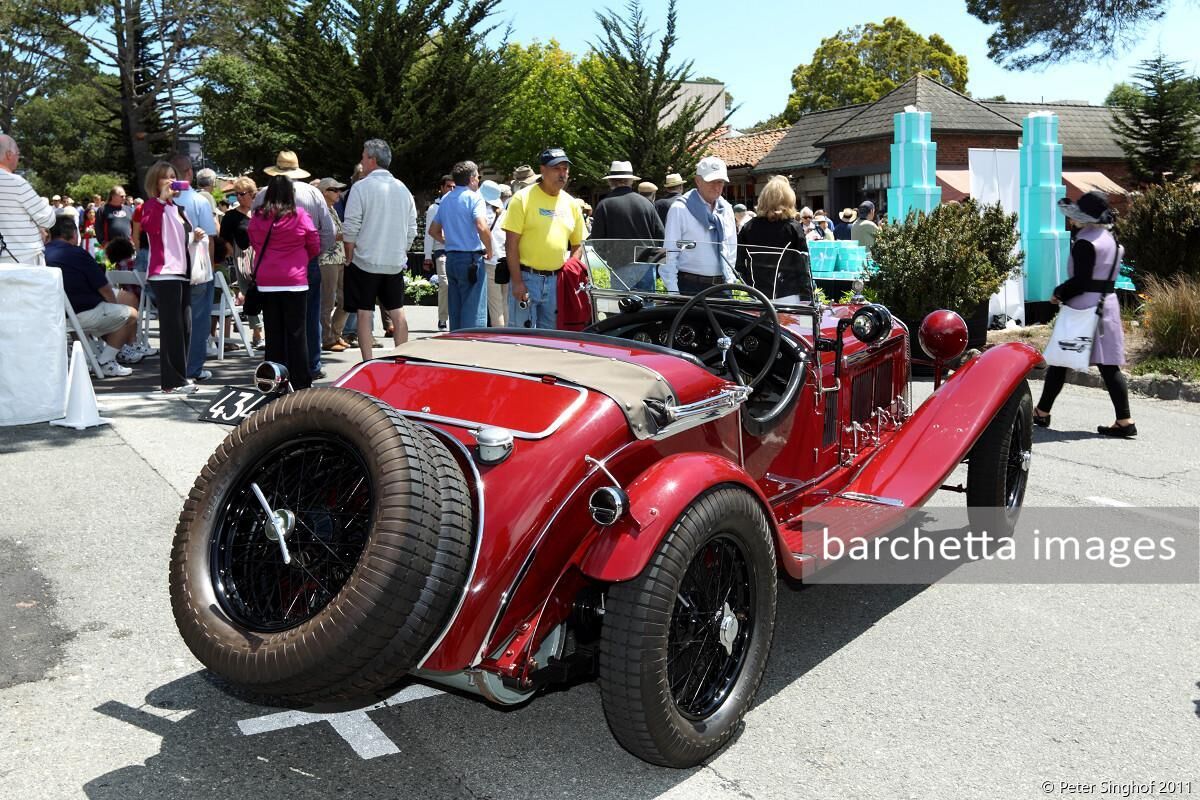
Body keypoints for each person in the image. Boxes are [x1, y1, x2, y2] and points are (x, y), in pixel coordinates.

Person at [1034, 191, 1136, 437]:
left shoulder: (1084, 242)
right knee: (1109, 365)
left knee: (1061, 358)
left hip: (1084, 306)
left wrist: (1059, 293)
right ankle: (1124, 419)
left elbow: (1081, 280)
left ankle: (1042, 412)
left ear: (1083, 217)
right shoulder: (1111, 239)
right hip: (1107, 304)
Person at [256, 151, 336, 380]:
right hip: (303, 264)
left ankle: (276, 372)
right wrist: (312, 254)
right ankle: (310, 366)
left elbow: (254, 233)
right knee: (308, 319)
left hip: (270, 269)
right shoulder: (312, 193)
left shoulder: (263, 195)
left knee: (274, 325)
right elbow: (327, 231)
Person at [342, 138, 418, 361]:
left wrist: (349, 256)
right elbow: (412, 228)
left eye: (364, 157)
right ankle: (402, 359)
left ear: (372, 160)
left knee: (365, 312)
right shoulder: (403, 189)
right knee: (397, 310)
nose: (362, 161)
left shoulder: (361, 187)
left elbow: (351, 227)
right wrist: (401, 250)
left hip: (365, 259)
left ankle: (367, 361)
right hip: (393, 261)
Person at [248, 175, 321, 390]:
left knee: (274, 334)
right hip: (294, 280)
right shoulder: (299, 215)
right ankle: (300, 382)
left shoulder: (258, 217)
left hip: (267, 281)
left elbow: (253, 240)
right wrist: (301, 259)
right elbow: (314, 242)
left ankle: (274, 380)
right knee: (297, 334)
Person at [503, 147, 587, 330]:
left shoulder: (571, 203)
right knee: (520, 337)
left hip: (556, 281)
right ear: (543, 170)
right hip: (526, 277)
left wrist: (570, 272)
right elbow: (511, 244)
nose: (562, 173)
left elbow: (578, 243)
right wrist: (517, 282)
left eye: (565, 168)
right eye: (557, 168)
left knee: (550, 340)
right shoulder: (522, 199)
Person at [45, 215, 139, 376]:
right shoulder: (77, 253)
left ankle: (91, 358)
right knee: (130, 314)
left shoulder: (41, 254)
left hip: (55, 314)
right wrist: (114, 308)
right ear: (74, 234)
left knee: (104, 314)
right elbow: (104, 289)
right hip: (81, 313)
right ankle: (106, 361)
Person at [140, 160, 199, 394]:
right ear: (156, 182)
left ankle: (179, 377)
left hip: (182, 274)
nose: (171, 180)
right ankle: (172, 381)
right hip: (164, 274)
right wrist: (161, 200)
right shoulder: (152, 206)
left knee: (184, 326)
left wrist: (196, 236)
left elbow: (182, 240)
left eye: (173, 176)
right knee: (172, 328)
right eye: (166, 177)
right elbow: (150, 228)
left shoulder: (179, 209)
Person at [169, 154, 218, 382]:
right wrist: (210, 268)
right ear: (188, 172)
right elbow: (209, 237)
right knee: (198, 320)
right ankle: (193, 368)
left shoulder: (159, 202)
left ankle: (176, 367)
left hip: (169, 268)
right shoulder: (199, 201)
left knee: (176, 320)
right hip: (196, 268)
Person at [428, 160, 492, 330]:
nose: (478, 180)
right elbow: (481, 226)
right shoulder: (475, 197)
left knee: (455, 308)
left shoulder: (447, 198)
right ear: (472, 178)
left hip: (451, 257)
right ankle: (471, 349)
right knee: (474, 311)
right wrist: (490, 250)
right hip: (471, 258)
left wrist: (449, 241)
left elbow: (433, 231)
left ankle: (456, 345)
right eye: (478, 176)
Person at [661, 156, 738, 295]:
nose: (716, 187)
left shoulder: (726, 208)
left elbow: (731, 247)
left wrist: (730, 280)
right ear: (698, 181)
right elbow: (670, 252)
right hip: (690, 287)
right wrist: (673, 292)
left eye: (720, 182)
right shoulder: (680, 209)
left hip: (723, 287)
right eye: (711, 181)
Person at [590, 159, 664, 292]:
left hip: (620, 266)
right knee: (648, 310)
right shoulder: (646, 203)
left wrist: (610, 257)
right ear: (631, 181)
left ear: (610, 181)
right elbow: (661, 236)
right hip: (645, 265)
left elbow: (597, 242)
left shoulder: (604, 205)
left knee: (623, 309)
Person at [736, 175, 810, 303]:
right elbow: (803, 266)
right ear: (788, 200)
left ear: (763, 199)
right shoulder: (793, 228)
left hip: (757, 295)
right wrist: (807, 296)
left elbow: (740, 265)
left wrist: (750, 285)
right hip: (788, 295)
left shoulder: (748, 228)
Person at [219, 175, 264, 350]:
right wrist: (234, 255)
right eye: (236, 194)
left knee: (265, 294)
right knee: (250, 294)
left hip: (262, 256)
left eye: (242, 193)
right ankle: (257, 333)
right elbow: (224, 240)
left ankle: (263, 331)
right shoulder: (231, 216)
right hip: (242, 258)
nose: (238, 197)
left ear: (252, 193)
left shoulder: (260, 213)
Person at [0, 134, 56, 265]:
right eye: (17, 154)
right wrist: (44, 202)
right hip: (22, 259)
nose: (18, 158)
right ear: (9, 155)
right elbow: (48, 219)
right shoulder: (17, 183)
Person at [317, 177, 350, 352]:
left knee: (346, 299)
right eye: (334, 190)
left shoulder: (333, 210)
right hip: (327, 260)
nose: (338, 193)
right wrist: (350, 233)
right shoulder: (321, 210)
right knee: (328, 301)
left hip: (339, 259)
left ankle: (336, 334)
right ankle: (328, 338)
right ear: (324, 192)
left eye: (339, 190)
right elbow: (330, 235)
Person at [422, 174, 455, 331]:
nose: (451, 189)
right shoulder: (434, 208)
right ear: (441, 188)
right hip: (440, 249)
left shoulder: (457, 204)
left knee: (455, 284)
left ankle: (454, 318)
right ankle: (443, 318)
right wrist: (427, 256)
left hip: (456, 250)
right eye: (448, 186)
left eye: (454, 187)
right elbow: (429, 233)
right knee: (445, 284)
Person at [479, 180, 508, 326]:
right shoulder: (505, 213)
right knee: (506, 303)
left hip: (490, 262)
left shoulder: (482, 213)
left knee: (495, 306)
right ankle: (510, 333)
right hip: (506, 261)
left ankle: (501, 335)